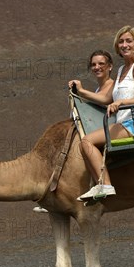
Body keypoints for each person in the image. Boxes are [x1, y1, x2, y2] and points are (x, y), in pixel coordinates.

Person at [69, 26, 134, 202]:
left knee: (87, 141)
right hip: (123, 123)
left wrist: (121, 102)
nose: (124, 45)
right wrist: (81, 91)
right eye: (121, 41)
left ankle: (105, 184)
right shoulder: (121, 70)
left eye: (128, 41)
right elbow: (106, 98)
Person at [34, 49, 115, 213]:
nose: (97, 67)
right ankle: (59, 199)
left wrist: (82, 91)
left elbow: (105, 100)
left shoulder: (113, 85)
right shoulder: (99, 90)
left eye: (101, 63)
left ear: (110, 66)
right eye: (93, 64)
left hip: (108, 130)